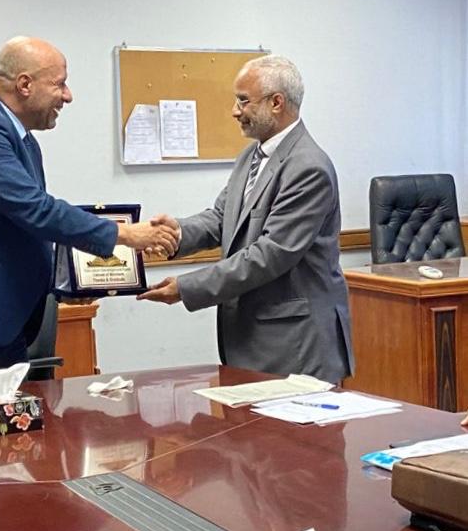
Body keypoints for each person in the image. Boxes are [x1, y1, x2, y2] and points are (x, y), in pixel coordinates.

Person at [0, 36, 178, 397]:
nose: (68, 96)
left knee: (14, 432)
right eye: (60, 84)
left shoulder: (22, 140)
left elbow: (22, 230)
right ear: (25, 84)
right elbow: (34, 209)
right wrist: (127, 235)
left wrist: (67, 285)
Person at [138, 55, 353, 383]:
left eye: (243, 101)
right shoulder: (251, 155)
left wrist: (186, 288)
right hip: (253, 342)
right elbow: (221, 218)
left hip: (296, 347)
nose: (235, 111)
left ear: (276, 103)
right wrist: (173, 234)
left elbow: (270, 255)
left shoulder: (308, 167)